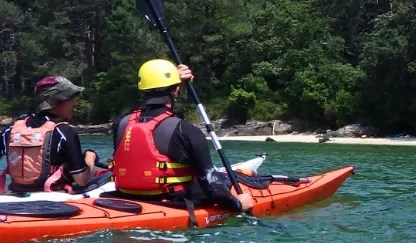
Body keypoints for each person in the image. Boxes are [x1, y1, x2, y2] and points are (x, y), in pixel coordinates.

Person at [110, 59, 253, 211]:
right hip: (171, 201)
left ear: (141, 89)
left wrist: (174, 82)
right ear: (175, 91)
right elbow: (211, 184)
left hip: (125, 195)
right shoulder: (186, 130)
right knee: (221, 179)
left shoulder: (120, 124)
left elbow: (144, 115)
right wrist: (238, 204)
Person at [0, 75, 99, 192]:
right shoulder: (65, 131)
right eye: (71, 98)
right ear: (58, 101)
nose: (74, 104)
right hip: (54, 200)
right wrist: (90, 156)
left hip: (17, 195)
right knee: (103, 178)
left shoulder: (10, 129)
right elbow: (81, 179)